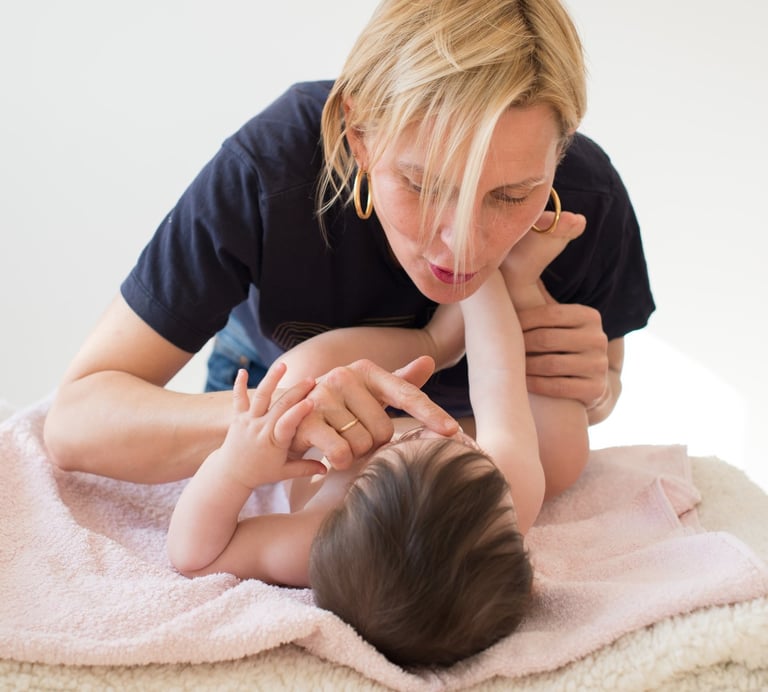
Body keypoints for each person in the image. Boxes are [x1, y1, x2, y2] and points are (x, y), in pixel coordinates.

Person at [44, 0, 654, 483]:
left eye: (511, 196)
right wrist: (290, 415)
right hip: (263, 381)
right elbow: (77, 423)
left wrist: (593, 388)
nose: (461, 248)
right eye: (422, 184)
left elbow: (604, 390)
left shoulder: (588, 198)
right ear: (357, 135)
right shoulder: (271, 170)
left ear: (560, 152)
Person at [167, 222, 589, 667]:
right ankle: (517, 282)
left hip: (345, 408)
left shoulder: (313, 539)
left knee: (298, 375)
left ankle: (433, 341)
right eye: (465, 449)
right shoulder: (505, 491)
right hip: (472, 456)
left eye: (409, 445)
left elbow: (194, 556)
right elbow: (497, 377)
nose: (441, 430)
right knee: (562, 449)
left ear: (349, 495)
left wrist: (235, 468)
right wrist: (480, 275)